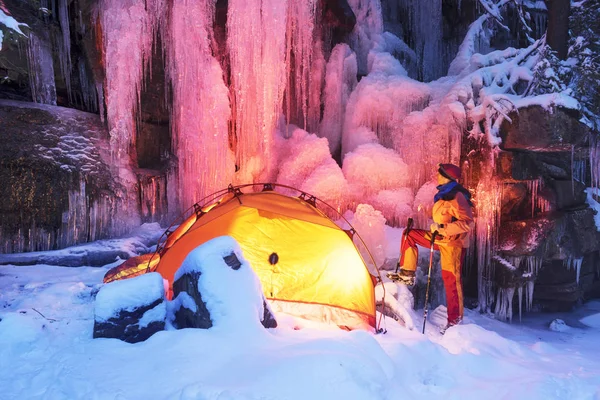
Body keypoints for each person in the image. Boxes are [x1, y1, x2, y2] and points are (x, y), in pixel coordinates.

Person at [396, 163, 474, 331]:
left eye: (440, 173)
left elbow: (467, 223)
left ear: (447, 176)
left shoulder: (457, 195)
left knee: (452, 282)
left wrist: (443, 229)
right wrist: (423, 212)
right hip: (440, 238)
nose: (437, 176)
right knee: (409, 235)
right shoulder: (443, 194)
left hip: (453, 244)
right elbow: (443, 216)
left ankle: (455, 322)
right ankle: (407, 273)